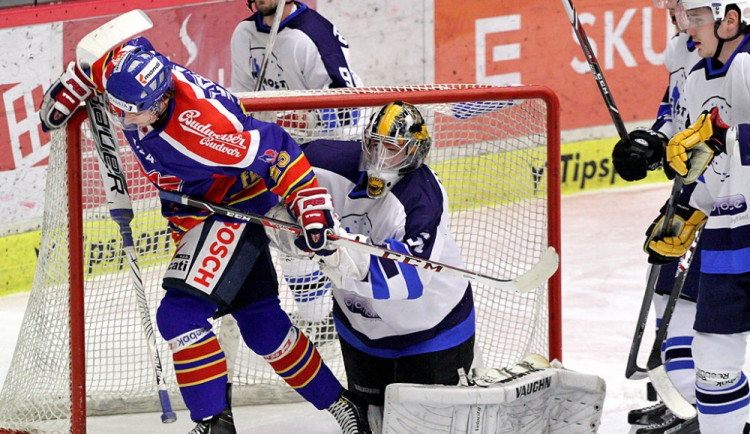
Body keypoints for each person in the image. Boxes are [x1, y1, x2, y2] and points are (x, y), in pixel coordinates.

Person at [38, 37, 371, 434]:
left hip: (232, 206)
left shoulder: (203, 134)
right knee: (262, 323)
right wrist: (79, 78)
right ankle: (344, 406)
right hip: (194, 210)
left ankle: (214, 425)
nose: (122, 121)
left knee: (179, 316)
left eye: (131, 114)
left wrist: (310, 203)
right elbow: (104, 61)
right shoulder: (132, 71)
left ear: (160, 102)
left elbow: (278, 147)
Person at [265, 101, 476, 431]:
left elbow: (406, 281)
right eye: (375, 145)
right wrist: (282, 224)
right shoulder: (324, 160)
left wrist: (336, 254)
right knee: (369, 424)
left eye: (392, 149)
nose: (379, 158)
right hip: (361, 330)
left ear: (415, 153)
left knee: (432, 427)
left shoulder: (422, 198)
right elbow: (269, 166)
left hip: (433, 331)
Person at [231, 0, 363, 344]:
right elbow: (241, 109)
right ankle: (320, 321)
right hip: (281, 157)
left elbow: (348, 109)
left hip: (332, 152)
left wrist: (308, 124)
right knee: (290, 240)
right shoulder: (243, 35)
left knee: (332, 240)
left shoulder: (310, 35)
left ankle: (355, 314)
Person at [646, 1, 750, 432]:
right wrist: (686, 215)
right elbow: (713, 169)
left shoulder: (746, 65)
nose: (686, 27)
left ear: (730, 20)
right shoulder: (695, 74)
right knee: (713, 350)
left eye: (696, 17)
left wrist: (724, 133)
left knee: (716, 348)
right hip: (729, 228)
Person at [611, 1, 703, 432]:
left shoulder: (738, 57)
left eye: (683, 9)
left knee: (705, 303)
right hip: (690, 196)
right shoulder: (684, 49)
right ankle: (678, 395)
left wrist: (677, 154)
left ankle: (705, 398)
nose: (674, 17)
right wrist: (648, 143)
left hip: (725, 199)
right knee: (668, 290)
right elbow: (674, 113)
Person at [231, 0, 362, 92]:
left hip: (334, 129)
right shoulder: (244, 34)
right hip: (283, 128)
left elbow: (344, 110)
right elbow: (243, 95)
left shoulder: (312, 37)